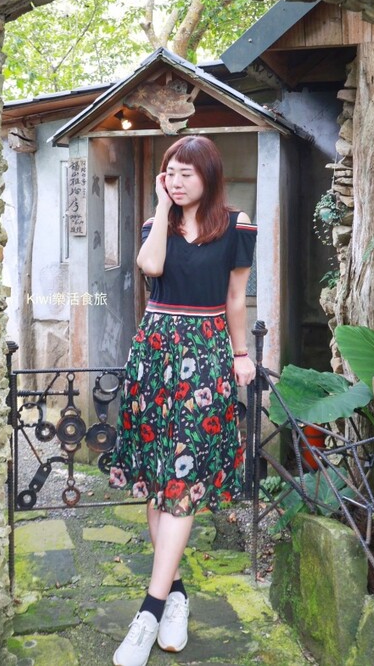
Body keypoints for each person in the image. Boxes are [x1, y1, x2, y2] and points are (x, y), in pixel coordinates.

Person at [109, 135, 257, 666]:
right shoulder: (159, 224)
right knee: (158, 476)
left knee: (182, 476)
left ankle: (149, 611)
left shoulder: (237, 225)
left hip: (206, 351)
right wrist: (161, 206)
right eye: (169, 171)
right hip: (154, 351)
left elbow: (235, 297)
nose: (175, 180)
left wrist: (241, 353)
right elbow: (150, 269)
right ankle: (175, 595)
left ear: (208, 176)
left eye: (185, 173)